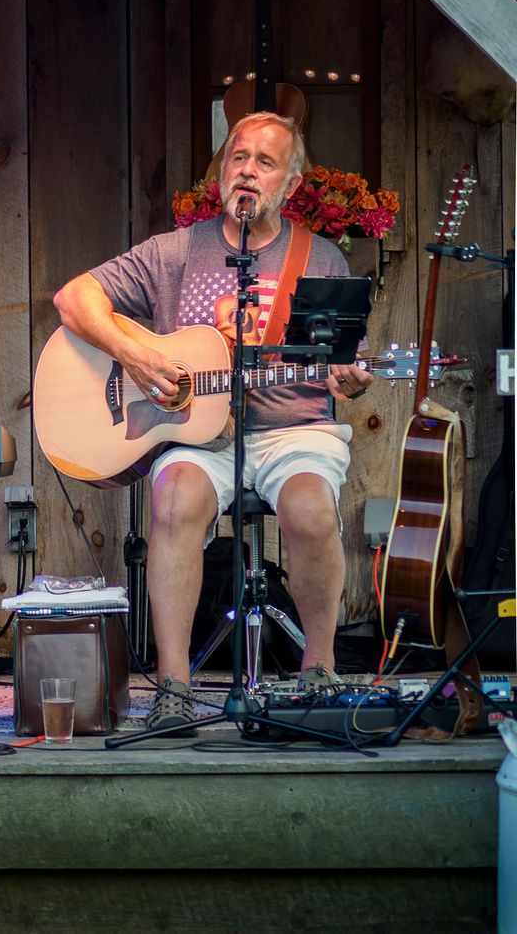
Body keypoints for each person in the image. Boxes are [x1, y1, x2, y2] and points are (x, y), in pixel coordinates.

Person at [52, 112, 373, 736]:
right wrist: (136, 356)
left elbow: (341, 362)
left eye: (265, 162)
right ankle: (173, 686)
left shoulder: (320, 257)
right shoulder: (174, 251)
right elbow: (73, 300)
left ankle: (319, 671)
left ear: (291, 184)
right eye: (238, 157)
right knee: (173, 499)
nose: (247, 171)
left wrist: (348, 378)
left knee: (311, 511)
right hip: (199, 435)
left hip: (295, 428)